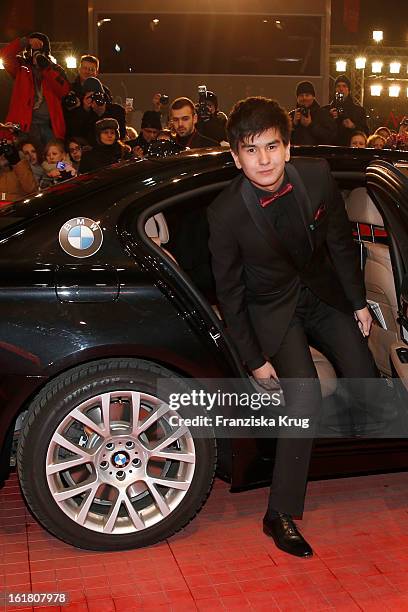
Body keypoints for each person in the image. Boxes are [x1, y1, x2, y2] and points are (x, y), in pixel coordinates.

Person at [207, 97, 381, 558]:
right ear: (235, 156)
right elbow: (230, 295)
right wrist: (255, 359)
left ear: (287, 148)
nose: (263, 160)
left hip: (321, 295)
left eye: (271, 147)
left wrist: (359, 303)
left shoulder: (319, 176)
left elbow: (341, 245)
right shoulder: (225, 213)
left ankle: (342, 442)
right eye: (250, 150)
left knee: (364, 372)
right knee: (301, 395)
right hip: (273, 309)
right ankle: (278, 513)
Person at [0, 32, 70, 146]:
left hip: (49, 127)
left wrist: (46, 68)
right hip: (25, 127)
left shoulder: (55, 69)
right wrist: (25, 41)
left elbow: (63, 91)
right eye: (33, 50)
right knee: (29, 159)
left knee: (57, 161)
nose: (36, 54)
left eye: (40, 51)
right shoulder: (21, 68)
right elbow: (5, 55)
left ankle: (67, 165)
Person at [65, 77, 126, 145]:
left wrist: (102, 110)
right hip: (92, 150)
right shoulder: (84, 113)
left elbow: (122, 134)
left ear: (103, 95)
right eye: (91, 96)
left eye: (97, 95)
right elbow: (76, 134)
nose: (95, 99)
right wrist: (85, 110)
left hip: (113, 149)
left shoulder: (117, 110)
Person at [326, 75, 369, 146]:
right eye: (338, 86)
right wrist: (330, 119)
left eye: (344, 86)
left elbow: (366, 133)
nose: (341, 89)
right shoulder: (326, 110)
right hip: (332, 148)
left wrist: (353, 126)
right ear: (335, 90)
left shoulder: (359, 111)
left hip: (351, 149)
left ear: (349, 90)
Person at [289, 81, 336, 145]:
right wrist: (293, 124)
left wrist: (310, 125)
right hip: (297, 154)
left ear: (313, 97)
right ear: (297, 98)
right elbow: (284, 139)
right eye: (301, 95)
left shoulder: (323, 114)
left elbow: (330, 136)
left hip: (317, 154)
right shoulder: (291, 116)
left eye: (307, 95)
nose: (304, 98)